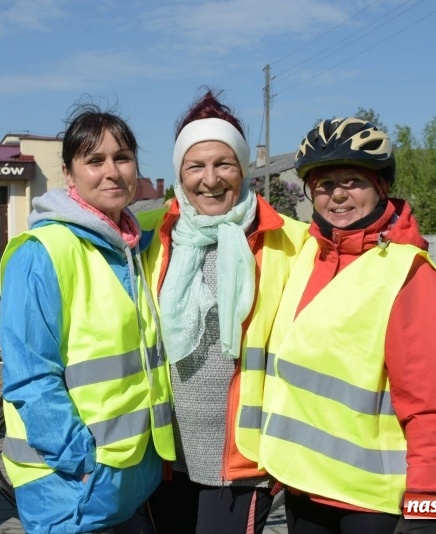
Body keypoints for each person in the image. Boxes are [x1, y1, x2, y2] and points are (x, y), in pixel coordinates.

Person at [258, 118, 436, 534]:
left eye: (353, 180)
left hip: (373, 504)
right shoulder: (309, 255)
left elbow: (430, 403)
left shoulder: (409, 274)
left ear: (381, 186)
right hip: (304, 488)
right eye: (325, 183)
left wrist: (427, 505)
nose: (338, 195)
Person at [0, 103, 175, 533]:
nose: (111, 171)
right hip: (69, 489)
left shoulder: (131, 244)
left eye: (122, 157)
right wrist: (82, 464)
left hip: (131, 484)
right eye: (94, 160)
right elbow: (31, 378)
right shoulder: (42, 252)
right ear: (69, 174)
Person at [137, 89, 309, 533]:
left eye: (223, 164)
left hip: (243, 455)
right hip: (165, 451)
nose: (209, 179)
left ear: (244, 169)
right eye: (196, 165)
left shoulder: (291, 240)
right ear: (179, 172)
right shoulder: (150, 237)